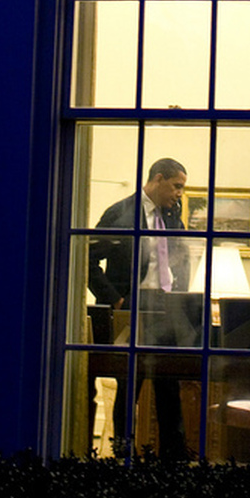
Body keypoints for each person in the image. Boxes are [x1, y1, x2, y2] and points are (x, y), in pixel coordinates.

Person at [88, 158, 193, 456]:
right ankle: (123, 450)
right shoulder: (120, 213)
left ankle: (173, 455)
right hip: (131, 306)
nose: (179, 194)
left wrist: (180, 297)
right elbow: (88, 259)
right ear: (157, 179)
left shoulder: (173, 215)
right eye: (177, 186)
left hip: (166, 307)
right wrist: (116, 301)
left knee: (168, 382)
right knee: (129, 382)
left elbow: (181, 256)